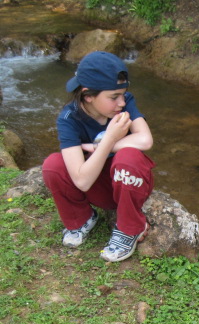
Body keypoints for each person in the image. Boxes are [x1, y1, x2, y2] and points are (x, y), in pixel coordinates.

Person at [42, 51, 154, 262]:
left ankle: (130, 227)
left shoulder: (126, 103)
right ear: (88, 95)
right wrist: (109, 139)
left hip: (129, 184)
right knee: (53, 165)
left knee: (128, 158)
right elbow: (82, 180)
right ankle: (81, 218)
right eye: (114, 97)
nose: (121, 102)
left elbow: (145, 140)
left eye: (123, 94)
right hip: (96, 184)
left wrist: (97, 146)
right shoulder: (69, 118)